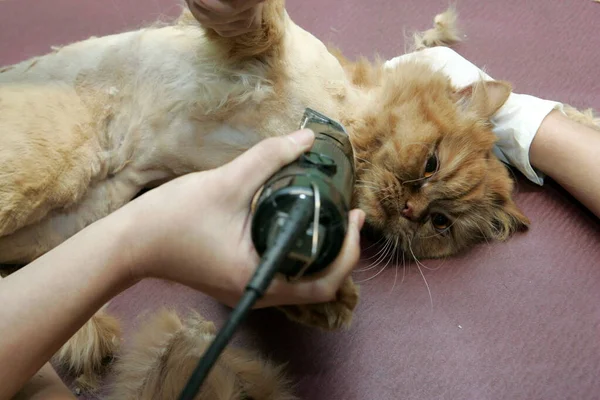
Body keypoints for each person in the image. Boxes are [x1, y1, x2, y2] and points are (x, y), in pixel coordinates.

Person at [3, 0, 599, 398]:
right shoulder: (330, 87)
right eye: (430, 166)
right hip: (76, 121)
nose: (414, 209)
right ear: (452, 94)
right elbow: (265, 52)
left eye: (438, 222)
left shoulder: (334, 194)